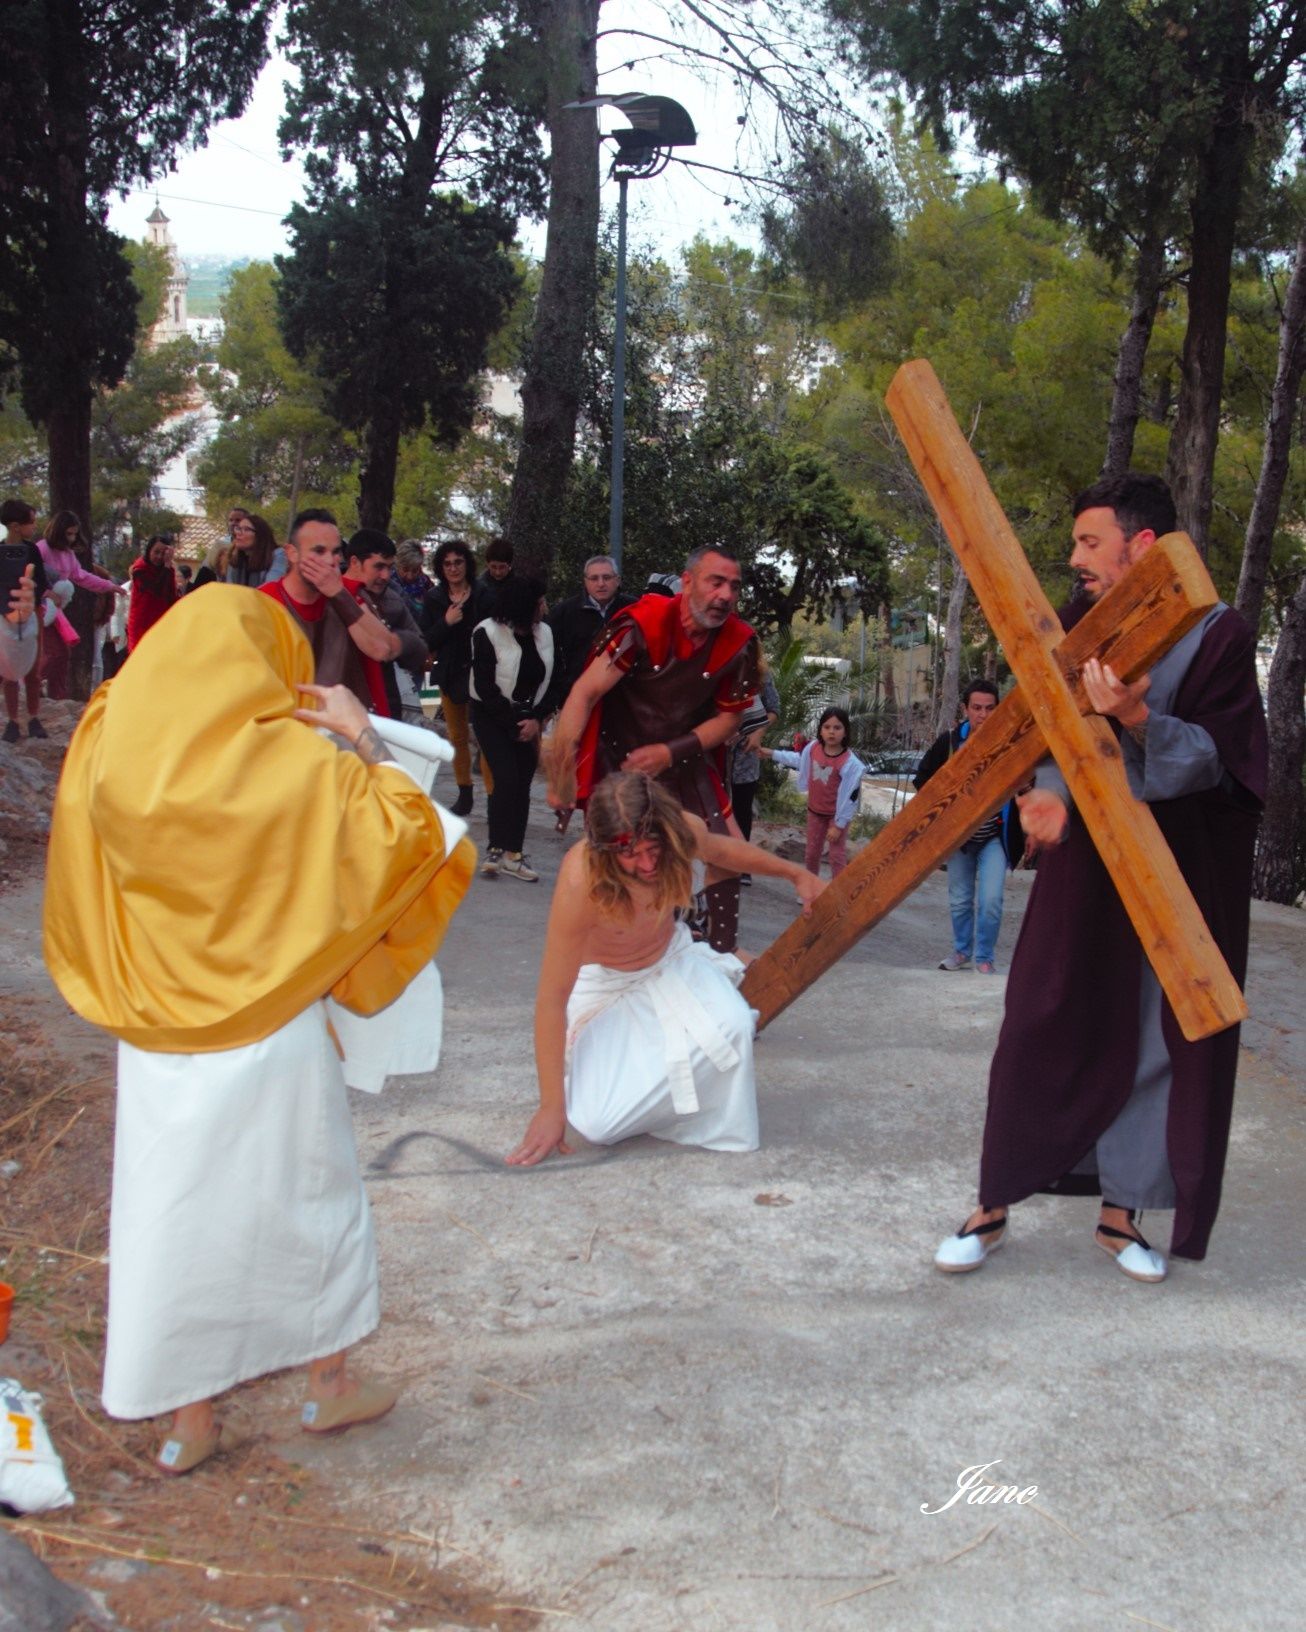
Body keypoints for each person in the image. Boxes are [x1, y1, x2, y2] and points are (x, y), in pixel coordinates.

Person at [43, 586, 476, 1475]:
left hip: (157, 1028)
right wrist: (359, 731)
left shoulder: (105, 747)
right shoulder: (290, 763)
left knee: (174, 1216)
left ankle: (188, 1422)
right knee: (305, 1198)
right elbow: (406, 837)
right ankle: (328, 1381)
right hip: (271, 1024)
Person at [933, 474, 1267, 1285]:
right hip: (1086, 861)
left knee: (1158, 1035)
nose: (1075, 558)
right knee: (1039, 1015)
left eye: (1090, 542)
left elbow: (1228, 766)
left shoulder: (1220, 636)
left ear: (1141, 546)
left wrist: (1140, 719)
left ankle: (1122, 1216)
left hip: (1175, 874)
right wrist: (1044, 794)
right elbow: (1043, 732)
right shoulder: (1077, 625)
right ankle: (993, 1201)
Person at [506, 772, 826, 1165]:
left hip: (671, 959)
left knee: (736, 1028)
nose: (646, 864)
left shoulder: (680, 831)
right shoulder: (581, 880)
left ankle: (681, 1099)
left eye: (652, 849)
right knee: (598, 1124)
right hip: (607, 988)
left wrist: (796, 874)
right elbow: (551, 1000)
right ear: (605, 849)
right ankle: (617, 1081)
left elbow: (724, 852)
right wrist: (551, 1107)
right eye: (630, 854)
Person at [546, 546, 761, 953]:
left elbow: (730, 720)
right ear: (687, 582)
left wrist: (670, 751)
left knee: (729, 853)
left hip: (684, 754)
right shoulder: (641, 626)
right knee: (622, 860)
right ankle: (616, 952)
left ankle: (722, 953)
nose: (726, 595)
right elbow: (585, 692)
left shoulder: (740, 644)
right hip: (617, 757)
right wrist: (564, 771)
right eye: (716, 582)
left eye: (733, 587)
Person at [913, 680, 1022, 974]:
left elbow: (1025, 785)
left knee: (991, 900)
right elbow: (922, 780)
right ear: (966, 709)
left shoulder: (1010, 742)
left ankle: (984, 958)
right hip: (958, 839)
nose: (983, 715)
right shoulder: (949, 743)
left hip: (994, 836)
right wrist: (942, 816)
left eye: (990, 708)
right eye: (977, 708)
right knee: (960, 901)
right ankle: (962, 951)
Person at [260, 509, 400, 715]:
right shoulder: (264, 600)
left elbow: (382, 649)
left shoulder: (347, 593)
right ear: (292, 553)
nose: (329, 561)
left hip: (346, 729)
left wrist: (339, 595)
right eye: (318, 551)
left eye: (335, 552)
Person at [469, 575, 560, 882]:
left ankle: (514, 854)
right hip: (491, 714)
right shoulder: (487, 632)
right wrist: (512, 722)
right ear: (524, 606)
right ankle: (496, 847)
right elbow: (483, 685)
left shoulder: (545, 632)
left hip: (529, 716)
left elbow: (555, 680)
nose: (544, 607)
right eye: (539, 602)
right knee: (505, 778)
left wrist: (536, 718)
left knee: (522, 783)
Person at [420, 539, 494, 817]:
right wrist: (446, 622)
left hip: (481, 675)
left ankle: (492, 796)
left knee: (486, 738)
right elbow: (426, 639)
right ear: (441, 567)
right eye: (447, 563)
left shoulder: (484, 595)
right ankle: (464, 794)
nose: (453, 568)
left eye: (458, 562)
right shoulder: (435, 599)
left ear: (467, 564)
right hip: (450, 674)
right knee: (457, 736)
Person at [761, 706, 865, 879]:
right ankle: (810, 888)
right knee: (811, 853)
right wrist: (772, 754)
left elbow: (851, 798)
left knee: (836, 856)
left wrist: (839, 825)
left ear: (845, 732)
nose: (831, 732)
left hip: (836, 816)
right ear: (820, 730)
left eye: (837, 728)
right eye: (827, 727)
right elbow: (799, 760)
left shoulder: (849, 763)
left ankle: (839, 895)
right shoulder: (813, 748)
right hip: (815, 812)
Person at [344, 530, 428, 721]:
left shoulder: (392, 600)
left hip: (384, 708)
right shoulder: (328, 595)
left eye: (389, 568)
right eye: (379, 567)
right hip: (340, 709)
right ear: (355, 562)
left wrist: (394, 642)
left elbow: (420, 650)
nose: (386, 575)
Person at [545, 554, 636, 703]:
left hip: (624, 698)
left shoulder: (633, 609)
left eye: (606, 577)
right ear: (585, 582)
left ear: (617, 580)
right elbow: (551, 657)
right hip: (578, 697)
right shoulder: (564, 613)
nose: (601, 583)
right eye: (594, 578)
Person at [1, 500, 49, 740]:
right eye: (31, 522)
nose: (35, 526)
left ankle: (33, 717)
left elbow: (41, 582)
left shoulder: (32, 550)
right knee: (9, 671)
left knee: (33, 670)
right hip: (5, 616)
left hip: (33, 614)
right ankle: (12, 721)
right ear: (16, 526)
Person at [37, 511, 124, 603]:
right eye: (69, 534)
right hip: (37, 604)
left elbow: (82, 577)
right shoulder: (42, 548)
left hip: (55, 604)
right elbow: (32, 577)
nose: (72, 539)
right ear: (58, 532)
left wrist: (109, 586)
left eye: (75, 534)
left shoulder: (68, 553)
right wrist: (47, 593)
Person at [127, 535, 179, 651]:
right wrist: (166, 566)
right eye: (156, 552)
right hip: (141, 623)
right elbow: (156, 589)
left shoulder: (168, 570)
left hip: (161, 623)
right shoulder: (140, 569)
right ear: (149, 550)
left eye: (163, 553)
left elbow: (170, 595)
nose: (159, 557)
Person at [226, 512, 279, 587]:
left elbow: (271, 587)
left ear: (260, 535)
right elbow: (230, 589)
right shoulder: (235, 557)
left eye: (246, 529)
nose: (238, 533)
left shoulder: (277, 555)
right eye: (238, 529)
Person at [393, 540, 434, 614]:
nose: (410, 576)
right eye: (405, 569)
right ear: (397, 564)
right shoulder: (388, 582)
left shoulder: (425, 582)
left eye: (415, 571)